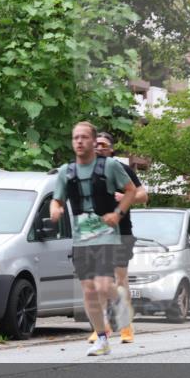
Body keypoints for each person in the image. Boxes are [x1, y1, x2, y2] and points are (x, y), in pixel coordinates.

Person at [51, 121, 138, 356]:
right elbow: (57, 199)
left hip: (107, 235)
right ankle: (102, 339)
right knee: (89, 291)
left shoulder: (110, 166)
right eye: (75, 137)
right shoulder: (66, 171)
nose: (79, 141)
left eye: (84, 137)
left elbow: (131, 190)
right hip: (81, 239)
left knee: (102, 285)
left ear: (92, 141)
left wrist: (118, 213)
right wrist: (55, 209)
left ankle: (120, 305)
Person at [87, 132, 148, 344]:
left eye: (103, 145)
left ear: (111, 149)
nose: (99, 148)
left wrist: (125, 197)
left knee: (120, 279)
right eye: (96, 144)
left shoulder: (122, 169)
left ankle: (125, 325)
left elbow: (143, 195)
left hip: (121, 231)